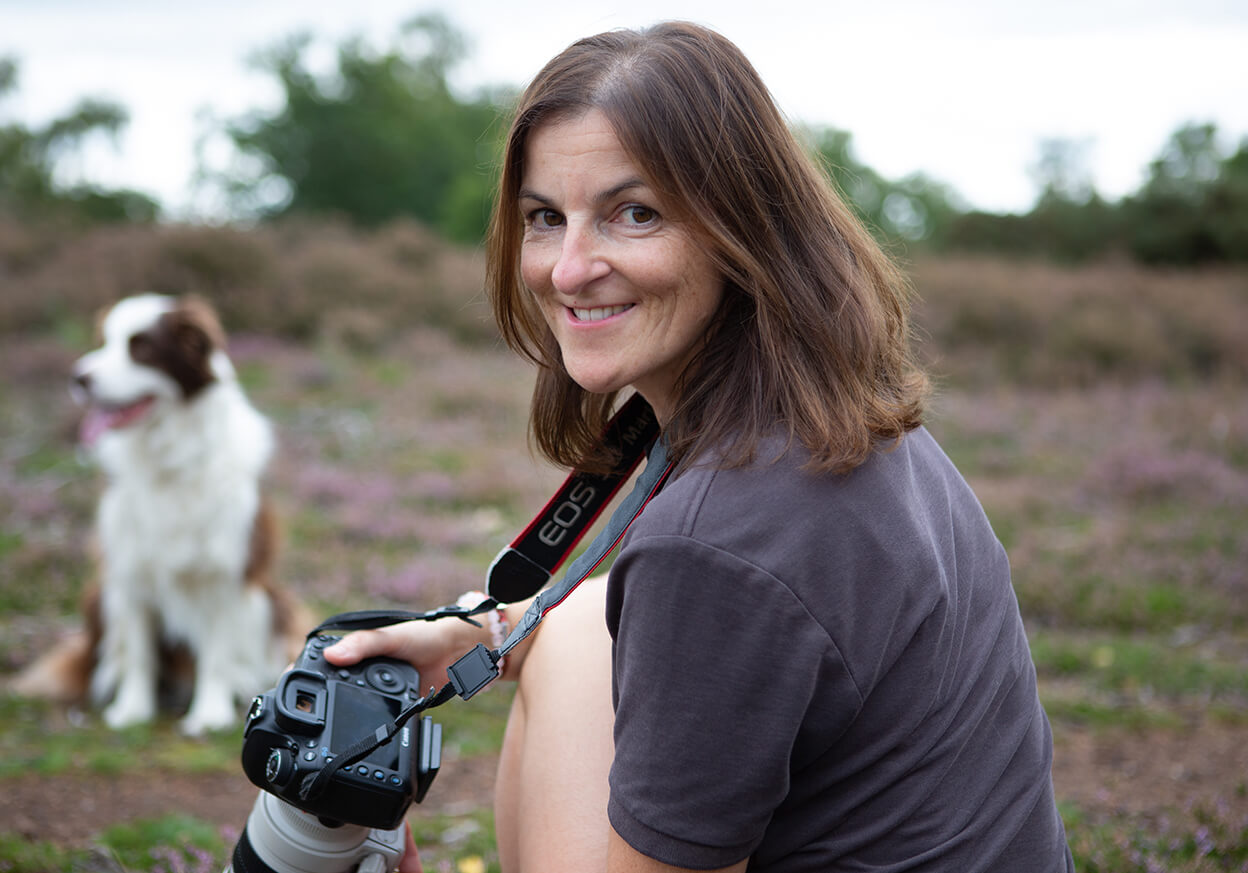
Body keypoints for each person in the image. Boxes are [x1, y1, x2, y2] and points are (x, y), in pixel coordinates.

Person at [325, 20, 1075, 873]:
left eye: (633, 213)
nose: (568, 270)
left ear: (741, 226)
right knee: (573, 629)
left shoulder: (718, 541)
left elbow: (721, 582)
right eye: (545, 217)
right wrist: (489, 634)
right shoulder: (828, 416)